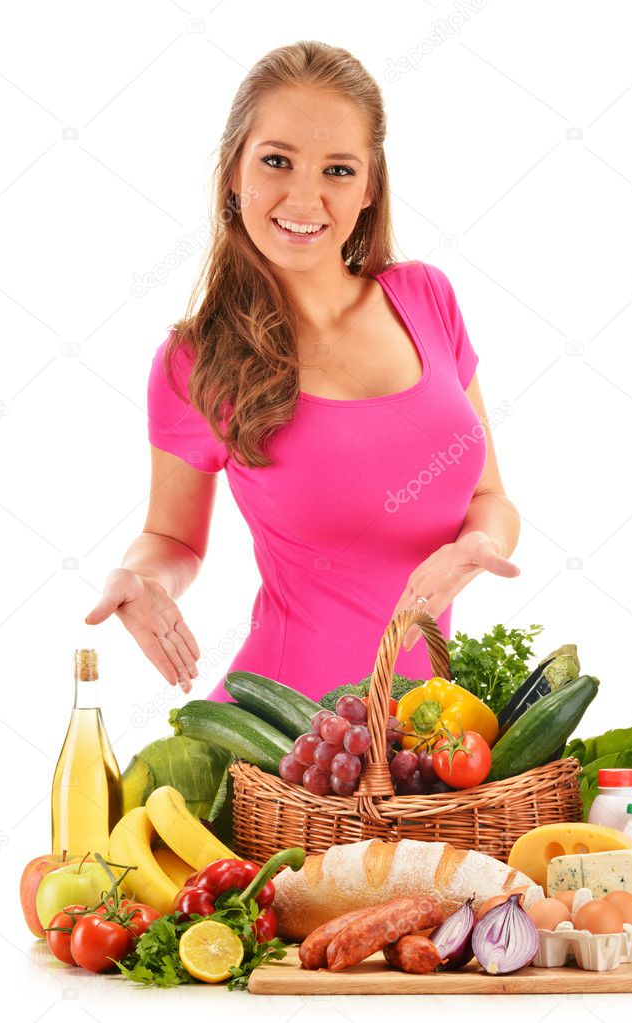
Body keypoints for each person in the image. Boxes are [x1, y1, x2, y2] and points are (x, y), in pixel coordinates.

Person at [84, 40, 521, 703]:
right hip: (279, 747)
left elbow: (490, 497)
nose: (304, 196)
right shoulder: (196, 361)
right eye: (277, 161)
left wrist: (478, 546)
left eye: (338, 170)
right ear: (235, 171)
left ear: (371, 187)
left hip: (426, 740)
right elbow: (171, 537)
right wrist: (141, 578)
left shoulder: (426, 300)